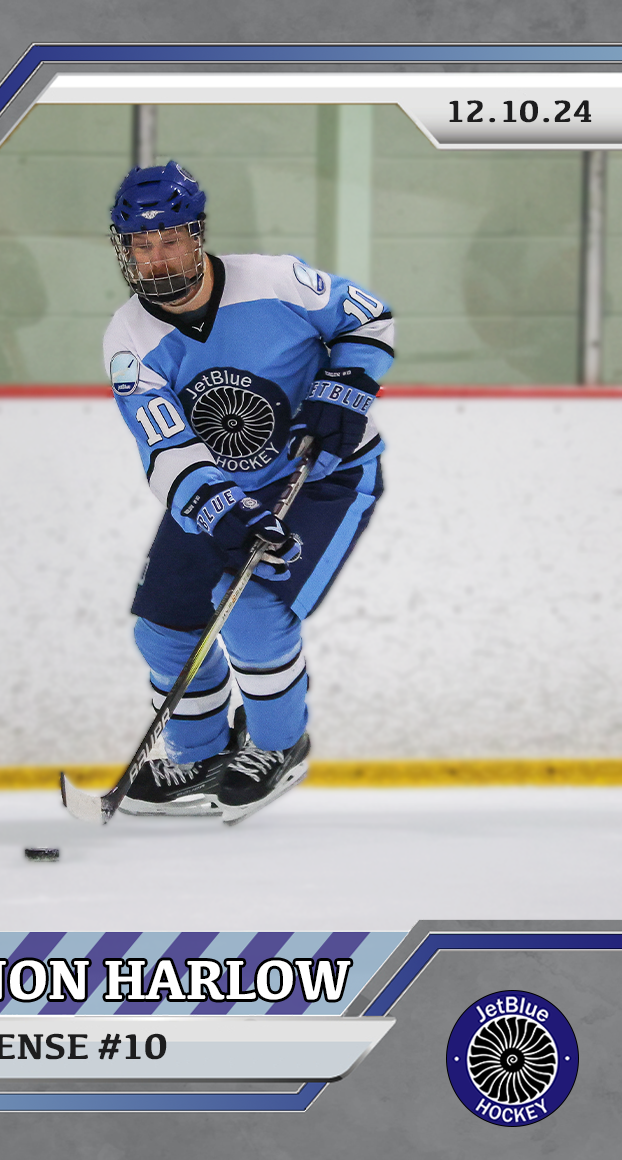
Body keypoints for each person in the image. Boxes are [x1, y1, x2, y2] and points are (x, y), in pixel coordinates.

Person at [102, 161, 393, 823]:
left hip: (322, 479)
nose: (156, 257)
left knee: (254, 613)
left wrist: (345, 386)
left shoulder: (273, 280)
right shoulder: (129, 339)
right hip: (217, 490)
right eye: (141, 246)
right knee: (164, 629)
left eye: (169, 239)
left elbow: (366, 318)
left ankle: (275, 745)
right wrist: (225, 512)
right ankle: (199, 755)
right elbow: (163, 446)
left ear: (197, 235)